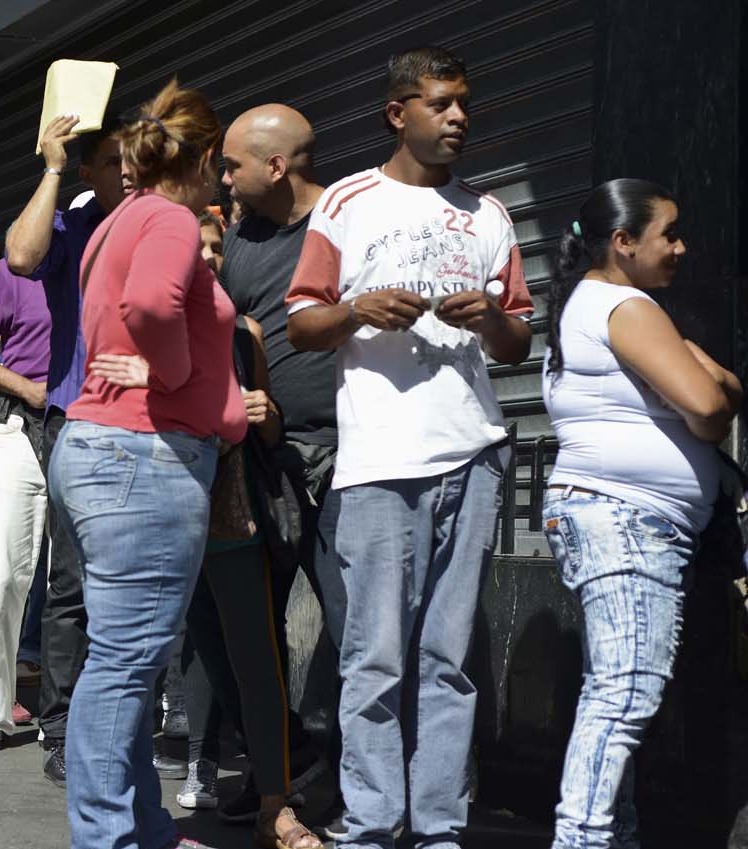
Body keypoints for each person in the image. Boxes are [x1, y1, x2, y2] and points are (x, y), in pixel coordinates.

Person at [286, 47, 535, 849]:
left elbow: (517, 340)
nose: (459, 117)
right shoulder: (348, 203)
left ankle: (437, 828)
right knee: (376, 659)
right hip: (378, 464)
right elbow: (301, 322)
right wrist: (359, 307)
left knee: (447, 659)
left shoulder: (489, 214)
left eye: (464, 103)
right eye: (441, 104)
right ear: (399, 113)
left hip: (472, 453)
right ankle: (370, 824)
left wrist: (489, 318)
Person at [45, 78, 246, 849]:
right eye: (219, 162)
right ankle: (107, 837)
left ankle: (144, 829)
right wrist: (174, 376)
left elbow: (131, 314)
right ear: (196, 156)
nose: (223, 178)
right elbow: (154, 309)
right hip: (141, 457)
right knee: (126, 666)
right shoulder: (168, 218)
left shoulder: (119, 220)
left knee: (118, 658)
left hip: (102, 452)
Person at [541, 180, 740, 848]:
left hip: (616, 519)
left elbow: (722, 389)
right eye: (670, 234)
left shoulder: (593, 304)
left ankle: (608, 835)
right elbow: (712, 409)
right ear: (624, 243)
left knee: (616, 692)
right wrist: (705, 375)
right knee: (623, 695)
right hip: (626, 520)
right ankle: (585, 840)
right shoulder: (626, 304)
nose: (682, 247)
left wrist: (707, 375)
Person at [0, 111, 127, 774]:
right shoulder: (47, 242)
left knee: (79, 580)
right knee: (3, 574)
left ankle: (90, 720)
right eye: (112, 160)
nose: (129, 170)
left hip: (105, 423)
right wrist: (24, 390)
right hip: (31, 425)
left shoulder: (148, 227)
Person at [216, 103, 344, 830]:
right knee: (243, 633)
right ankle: (279, 770)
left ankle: (355, 785)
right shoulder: (242, 237)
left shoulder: (343, 224)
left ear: (278, 165)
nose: (225, 179)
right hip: (262, 461)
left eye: (234, 165)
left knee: (354, 626)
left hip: (345, 453)